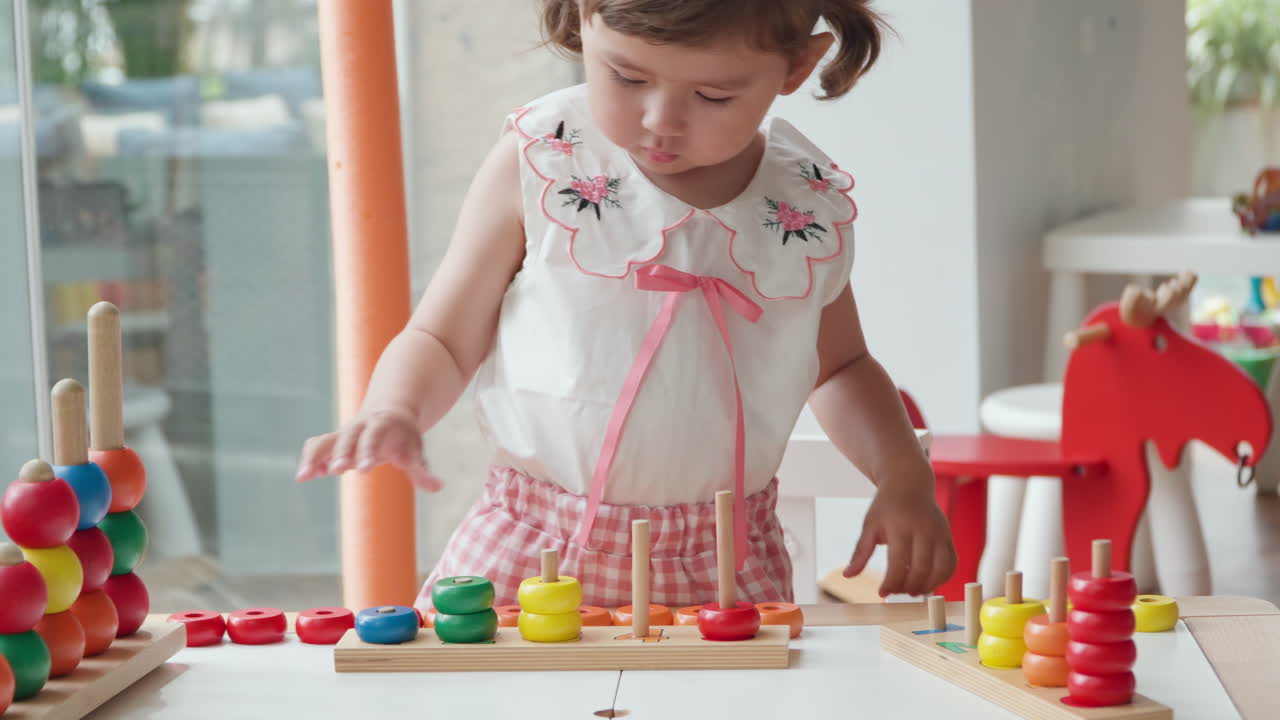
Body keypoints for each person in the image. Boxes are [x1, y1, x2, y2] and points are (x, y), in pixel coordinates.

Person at [296, 0, 956, 611]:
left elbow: (841, 367)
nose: (660, 120)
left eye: (713, 95)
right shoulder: (546, 160)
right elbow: (443, 337)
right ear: (586, 18)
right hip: (532, 551)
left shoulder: (801, 206)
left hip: (724, 567)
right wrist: (393, 409)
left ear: (797, 67)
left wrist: (903, 477)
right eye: (627, 77)